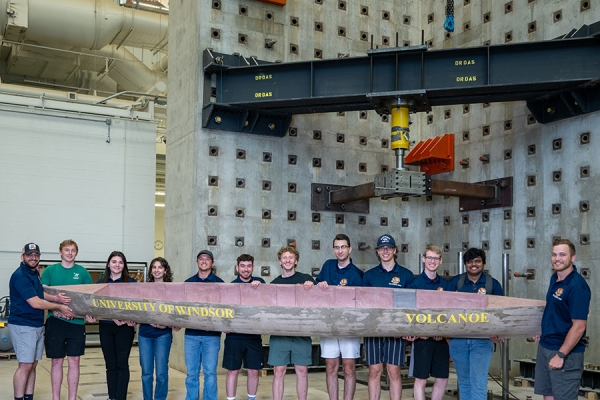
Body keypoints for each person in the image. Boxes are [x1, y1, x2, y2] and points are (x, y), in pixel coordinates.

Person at [9, 243, 74, 400]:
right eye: (29, 255)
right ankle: (19, 398)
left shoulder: (34, 274)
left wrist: (55, 298)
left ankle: (28, 397)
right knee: (25, 365)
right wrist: (59, 306)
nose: (33, 257)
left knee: (33, 364)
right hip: (23, 325)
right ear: (22, 256)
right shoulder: (20, 276)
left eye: (36, 255)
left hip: (36, 324)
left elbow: (40, 294)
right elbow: (36, 302)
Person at [534, 239, 591, 400]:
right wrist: (543, 331)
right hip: (546, 346)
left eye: (562, 254)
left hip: (565, 352)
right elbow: (555, 311)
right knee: (548, 396)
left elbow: (579, 326)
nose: (557, 258)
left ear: (572, 258)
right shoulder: (555, 279)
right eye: (554, 254)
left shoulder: (577, 286)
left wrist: (561, 355)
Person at [447, 248, 504, 400]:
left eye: (477, 261)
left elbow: (502, 312)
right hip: (458, 340)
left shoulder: (492, 284)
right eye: (470, 261)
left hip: (482, 341)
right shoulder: (455, 283)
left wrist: (498, 333)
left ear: (483, 263)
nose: (474, 264)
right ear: (465, 264)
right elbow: (444, 309)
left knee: (478, 383)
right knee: (464, 382)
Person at [362, 234, 414, 400]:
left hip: (396, 330)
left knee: (394, 371)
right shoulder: (369, 276)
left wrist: (408, 328)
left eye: (389, 248)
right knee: (374, 370)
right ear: (377, 251)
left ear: (395, 250)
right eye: (382, 248)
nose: (385, 251)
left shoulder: (406, 275)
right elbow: (363, 304)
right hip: (374, 330)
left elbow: (411, 306)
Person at [41, 239, 93, 400]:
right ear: (60, 252)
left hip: (76, 324)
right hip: (55, 322)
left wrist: (79, 314)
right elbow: (41, 294)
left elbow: (89, 298)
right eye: (67, 250)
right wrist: (56, 308)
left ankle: (72, 397)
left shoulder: (83, 273)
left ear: (76, 253)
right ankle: (55, 397)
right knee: (56, 362)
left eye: (73, 250)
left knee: (74, 361)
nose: (70, 253)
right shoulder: (50, 271)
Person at [315, 234, 364, 400]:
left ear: (350, 249)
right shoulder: (327, 266)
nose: (340, 250)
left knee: (349, 367)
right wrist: (319, 285)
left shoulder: (358, 274)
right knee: (331, 367)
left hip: (349, 327)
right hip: (329, 325)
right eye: (337, 247)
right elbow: (316, 289)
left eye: (343, 247)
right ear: (333, 249)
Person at [269, 246, 315, 400]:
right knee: (278, 371)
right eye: (284, 257)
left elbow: (316, 302)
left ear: (296, 261)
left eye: (291, 257)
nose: (287, 260)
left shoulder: (306, 279)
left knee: (302, 371)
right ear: (280, 262)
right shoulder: (274, 284)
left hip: (301, 333)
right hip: (280, 334)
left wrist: (311, 288)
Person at [405, 245, 449, 400]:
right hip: (422, 340)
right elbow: (409, 313)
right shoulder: (414, 284)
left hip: (441, 340)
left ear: (440, 261)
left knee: (442, 378)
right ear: (423, 259)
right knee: (421, 379)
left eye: (435, 258)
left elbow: (450, 313)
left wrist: (441, 332)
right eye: (429, 257)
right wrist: (415, 332)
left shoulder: (446, 285)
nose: (432, 261)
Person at [223, 254, 266, 400]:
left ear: (253, 268)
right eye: (242, 266)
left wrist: (259, 287)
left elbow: (267, 303)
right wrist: (223, 325)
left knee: (253, 371)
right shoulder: (230, 286)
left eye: (248, 266)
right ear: (237, 268)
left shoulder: (260, 283)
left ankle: (251, 398)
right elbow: (224, 310)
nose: (246, 269)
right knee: (233, 371)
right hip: (234, 336)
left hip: (254, 336)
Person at [138, 257, 180, 400]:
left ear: (165, 270)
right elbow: (138, 310)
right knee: (146, 373)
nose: (156, 270)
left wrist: (166, 324)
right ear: (151, 270)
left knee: (161, 373)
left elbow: (175, 312)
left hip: (163, 335)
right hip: (145, 334)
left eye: (160, 267)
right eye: (154, 267)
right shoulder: (144, 288)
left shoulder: (172, 290)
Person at [184, 250, 224, 400]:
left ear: (212, 263)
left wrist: (216, 325)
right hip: (191, 336)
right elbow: (182, 309)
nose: (204, 261)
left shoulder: (220, 284)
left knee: (210, 372)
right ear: (197, 262)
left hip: (211, 336)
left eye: (207, 259)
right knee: (191, 373)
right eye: (201, 258)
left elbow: (223, 310)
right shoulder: (188, 283)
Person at [97, 251, 136, 400]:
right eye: (114, 261)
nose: (117, 265)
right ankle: (111, 396)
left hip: (124, 329)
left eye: (120, 262)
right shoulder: (100, 284)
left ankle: (120, 397)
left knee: (122, 363)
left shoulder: (131, 283)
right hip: (105, 327)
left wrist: (132, 320)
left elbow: (137, 308)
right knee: (110, 364)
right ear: (108, 264)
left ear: (124, 265)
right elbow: (96, 307)